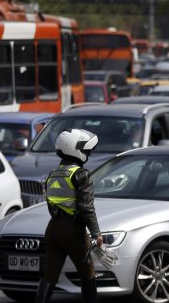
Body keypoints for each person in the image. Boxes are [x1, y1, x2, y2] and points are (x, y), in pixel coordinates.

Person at [36, 129, 103, 303]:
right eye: (86, 150)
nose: (87, 154)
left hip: (52, 229)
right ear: (76, 149)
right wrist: (96, 233)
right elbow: (87, 207)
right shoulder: (81, 174)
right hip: (72, 231)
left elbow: (52, 205)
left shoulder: (52, 175)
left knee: (49, 276)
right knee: (88, 275)